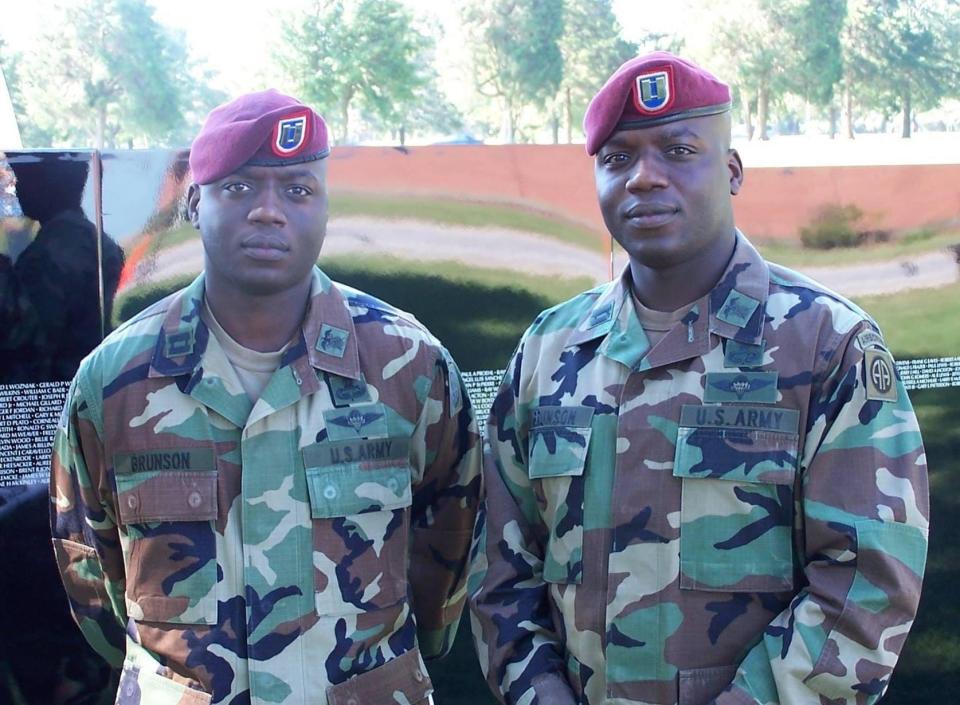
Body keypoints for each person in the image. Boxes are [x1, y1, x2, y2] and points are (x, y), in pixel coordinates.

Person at [469, 52, 928, 705]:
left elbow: (867, 585)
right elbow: (502, 570)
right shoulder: (548, 349)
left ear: (733, 170)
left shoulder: (825, 344)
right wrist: (538, 691)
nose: (644, 178)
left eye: (678, 150)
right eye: (618, 158)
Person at [50, 90, 481, 705]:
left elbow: (449, 538)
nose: (269, 212)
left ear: (325, 209)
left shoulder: (408, 364)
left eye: (298, 190)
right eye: (241, 188)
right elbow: (92, 574)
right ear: (196, 203)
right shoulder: (113, 382)